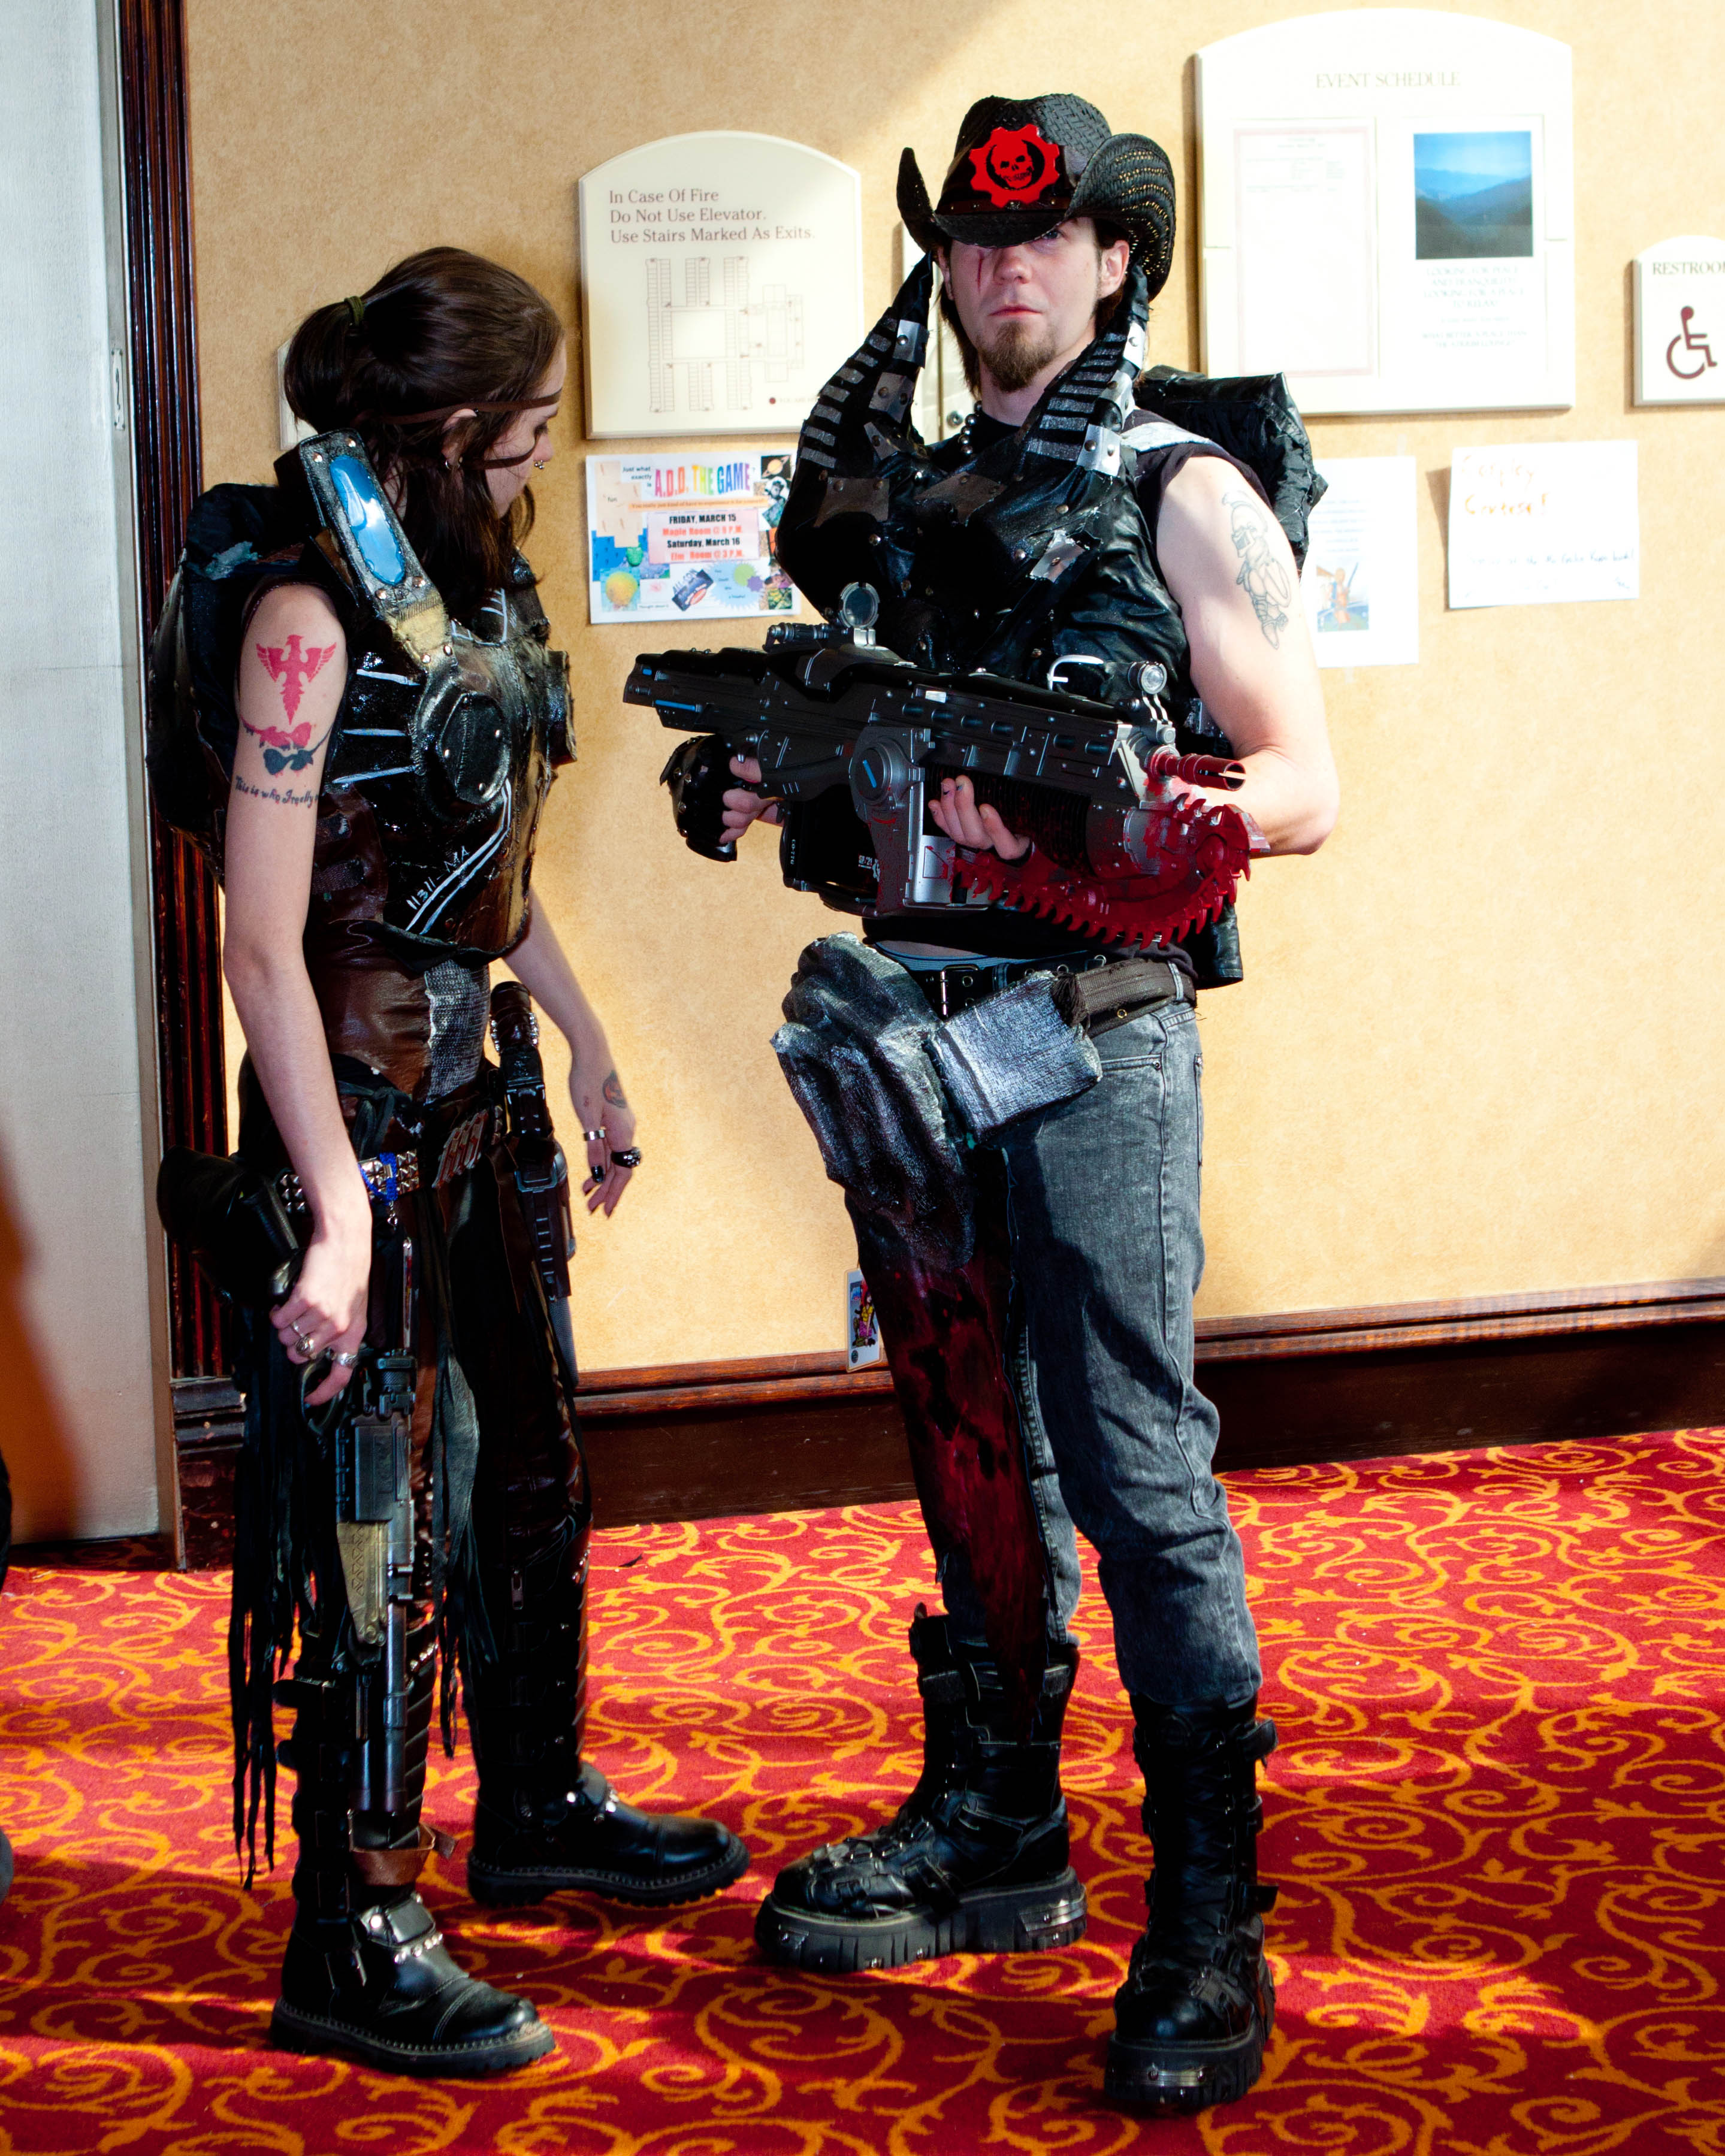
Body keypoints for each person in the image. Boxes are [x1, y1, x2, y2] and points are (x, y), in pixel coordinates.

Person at [709, 99, 1337, 2113]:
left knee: (1136, 1464)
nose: (1003, 273)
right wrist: (769, 782)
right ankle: (1000, 1822)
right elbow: (847, 746)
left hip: (1090, 1029)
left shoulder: (1182, 491)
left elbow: (1304, 782)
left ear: (1113, 258)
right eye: (976, 246)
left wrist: (1118, 818)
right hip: (910, 1026)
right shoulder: (895, 499)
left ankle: (1209, 1911)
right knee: (974, 1438)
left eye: (1043, 238)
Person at [150, 247, 745, 2078]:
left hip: (483, 1092)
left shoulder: (465, 596)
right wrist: (334, 1213)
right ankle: (357, 1927)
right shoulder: (304, 620)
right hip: (359, 1115)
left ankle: (536, 1801)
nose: (546, 453)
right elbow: (263, 949)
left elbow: (487, 867)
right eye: (532, 425)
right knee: (375, 1531)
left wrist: (591, 1037)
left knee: (536, 1470)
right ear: (459, 421)